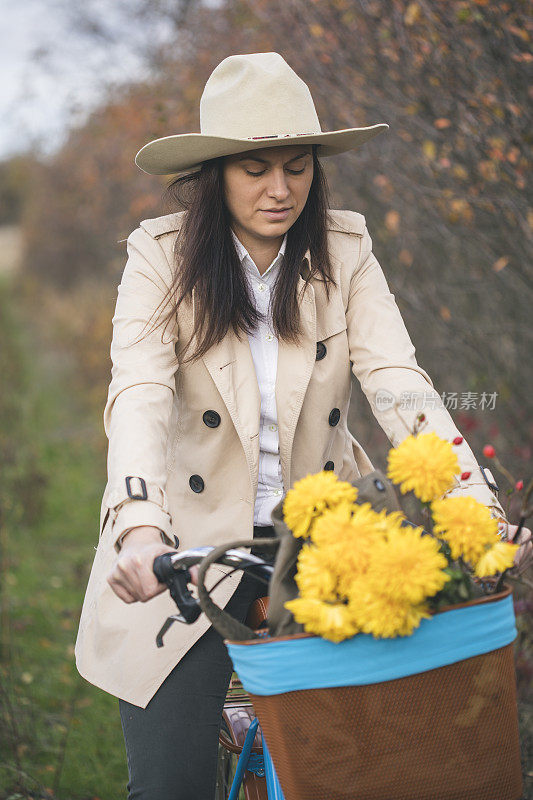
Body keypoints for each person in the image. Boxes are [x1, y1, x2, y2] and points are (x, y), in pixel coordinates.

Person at [74, 52, 531, 799]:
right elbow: (141, 394)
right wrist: (138, 526)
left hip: (319, 544)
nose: (279, 189)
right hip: (183, 548)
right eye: (255, 169)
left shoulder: (343, 251)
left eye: (296, 165)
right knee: (167, 783)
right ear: (216, 172)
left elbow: (397, 382)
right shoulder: (160, 259)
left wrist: (476, 513)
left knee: (363, 774)